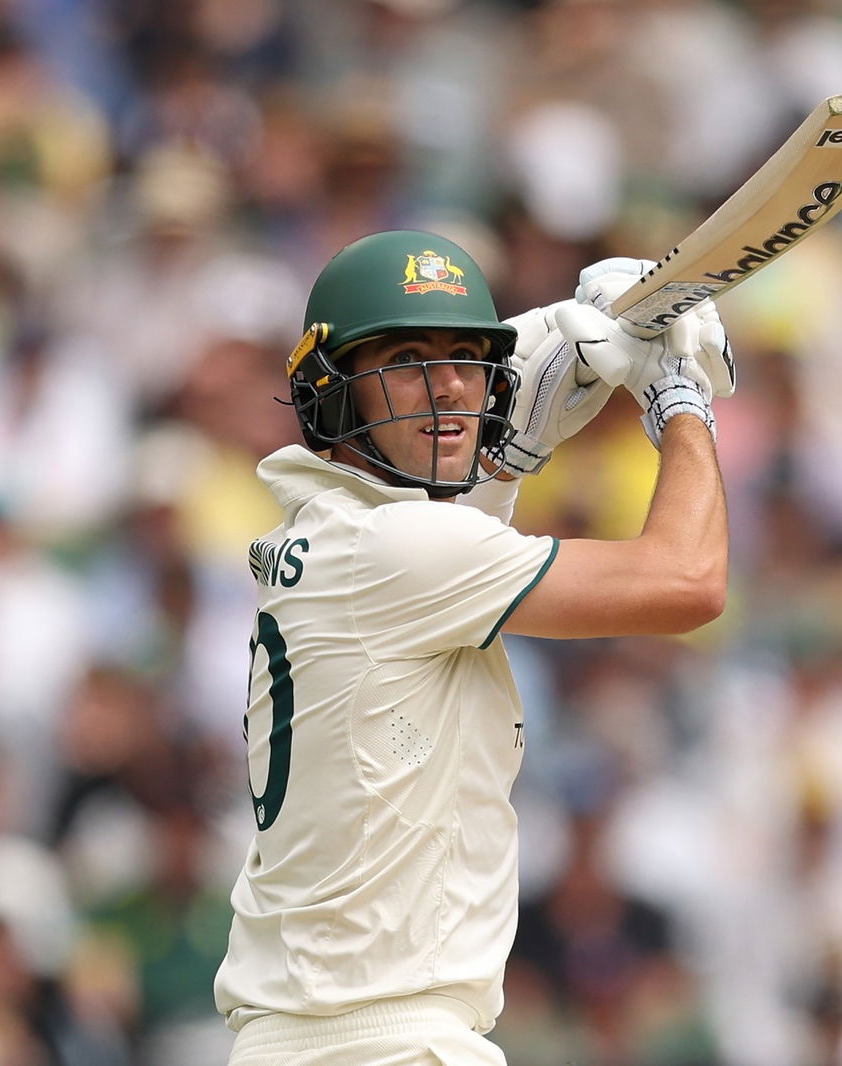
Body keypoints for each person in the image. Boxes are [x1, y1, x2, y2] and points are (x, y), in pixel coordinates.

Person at [213, 229, 735, 1065]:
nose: (449, 387)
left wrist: (521, 444)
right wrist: (679, 396)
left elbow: (454, 527)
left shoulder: (342, 537)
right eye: (410, 358)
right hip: (381, 1043)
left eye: (467, 357)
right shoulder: (397, 551)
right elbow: (689, 582)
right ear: (334, 391)